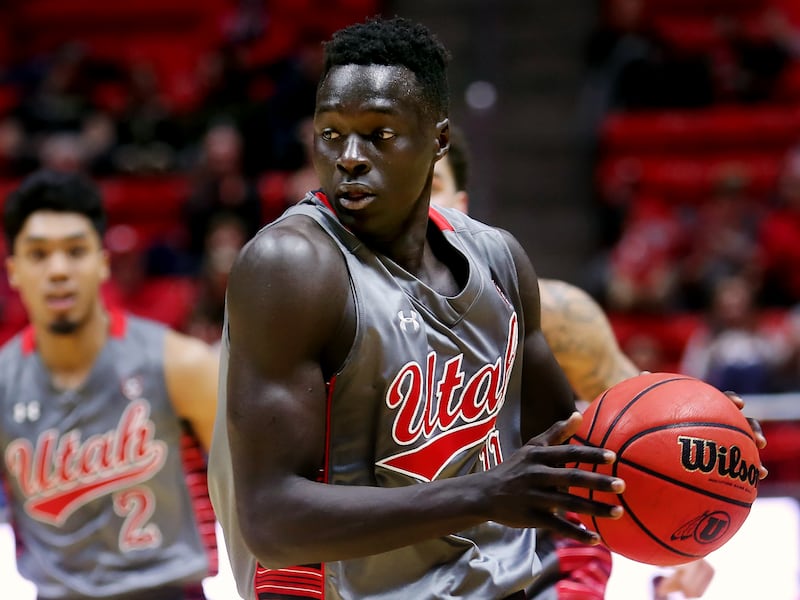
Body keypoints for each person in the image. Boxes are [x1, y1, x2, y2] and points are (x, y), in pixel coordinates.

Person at [209, 16, 628, 600]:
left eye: (379, 134)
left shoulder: (500, 260)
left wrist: (697, 438)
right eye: (330, 134)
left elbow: (568, 449)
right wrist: (484, 494)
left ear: (439, 140)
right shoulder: (291, 266)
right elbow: (272, 523)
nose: (349, 157)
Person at [430, 126, 761, 599]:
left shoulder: (553, 314)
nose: (414, 200)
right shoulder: (333, 311)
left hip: (537, 558)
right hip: (388, 550)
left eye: (432, 184)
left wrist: (703, 438)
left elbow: (646, 430)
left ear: (460, 205)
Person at [0, 169, 220, 599]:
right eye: (39, 254)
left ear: (102, 263)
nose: (58, 270)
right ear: (13, 271)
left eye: (75, 251)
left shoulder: (181, 364)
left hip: (169, 590)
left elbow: (252, 501)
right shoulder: (4, 384)